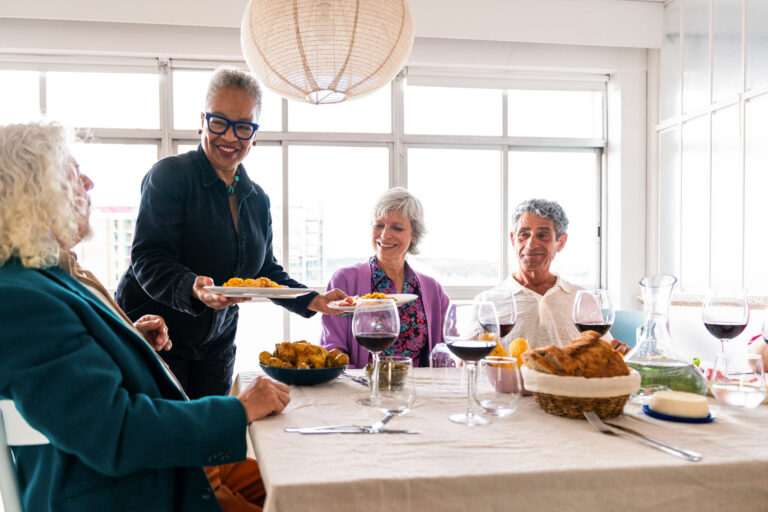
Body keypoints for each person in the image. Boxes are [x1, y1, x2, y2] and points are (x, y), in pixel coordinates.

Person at [0, 121, 291, 512]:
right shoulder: (20, 297)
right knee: (311, 497)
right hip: (131, 491)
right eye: (71, 172)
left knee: (305, 486)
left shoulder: (46, 275)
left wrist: (130, 339)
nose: (88, 182)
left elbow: (76, 375)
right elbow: (113, 432)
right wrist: (239, 409)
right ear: (34, 192)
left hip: (160, 467)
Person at [115, 66, 345, 398]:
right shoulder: (170, 176)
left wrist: (314, 300)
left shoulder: (257, 199)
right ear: (203, 121)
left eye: (243, 127)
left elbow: (265, 271)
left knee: (213, 440)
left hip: (216, 346)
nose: (230, 136)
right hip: (157, 335)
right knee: (165, 440)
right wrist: (194, 287)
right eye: (219, 122)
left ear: (255, 133)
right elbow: (148, 259)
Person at [320, 188, 449, 368]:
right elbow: (332, 352)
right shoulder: (345, 280)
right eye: (379, 225)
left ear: (414, 236)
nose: (385, 235)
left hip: (417, 391)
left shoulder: (433, 289)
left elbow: (444, 353)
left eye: (397, 228)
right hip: (360, 390)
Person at [480, 198, 628, 353]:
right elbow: (467, 363)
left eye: (542, 235)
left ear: (561, 242)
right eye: (524, 234)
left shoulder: (581, 299)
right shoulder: (488, 302)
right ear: (513, 240)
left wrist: (619, 350)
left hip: (570, 378)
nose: (530, 244)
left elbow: (605, 351)